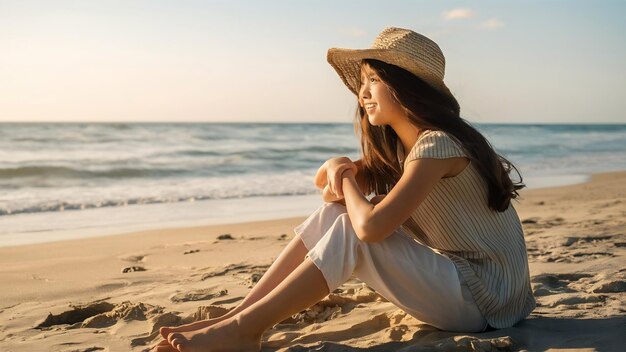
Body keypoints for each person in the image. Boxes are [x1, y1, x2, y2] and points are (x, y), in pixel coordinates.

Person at [152, 27, 535, 352]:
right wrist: (337, 167)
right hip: (477, 291)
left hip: (486, 300)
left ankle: (245, 330)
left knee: (354, 227)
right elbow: (329, 199)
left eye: (375, 80)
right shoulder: (403, 150)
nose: (363, 93)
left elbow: (368, 230)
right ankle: (238, 317)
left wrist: (347, 175)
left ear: (406, 87)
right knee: (338, 216)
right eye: (362, 82)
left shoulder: (435, 145)